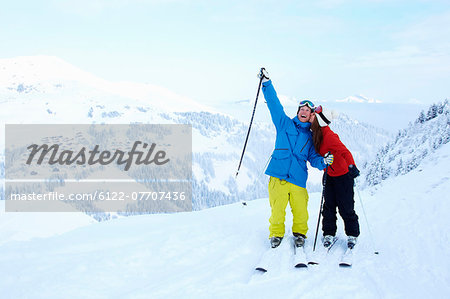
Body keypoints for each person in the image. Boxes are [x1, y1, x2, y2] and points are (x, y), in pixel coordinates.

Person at [258, 68, 334, 249]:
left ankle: (300, 234)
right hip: (278, 177)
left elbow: (314, 158)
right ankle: (276, 234)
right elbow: (274, 105)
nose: (304, 111)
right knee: (277, 210)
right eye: (302, 108)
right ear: (298, 111)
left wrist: (323, 162)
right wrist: (266, 83)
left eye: (307, 110)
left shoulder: (310, 137)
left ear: (311, 116)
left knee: (301, 210)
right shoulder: (284, 124)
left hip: (299, 179)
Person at [309, 105, 361, 249]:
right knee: (329, 206)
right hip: (329, 174)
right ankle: (329, 233)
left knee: (346, 207)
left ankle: (352, 234)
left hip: (343, 176)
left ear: (319, 120)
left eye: (314, 115)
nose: (311, 117)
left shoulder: (329, 136)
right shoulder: (316, 133)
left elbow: (345, 152)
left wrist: (351, 166)